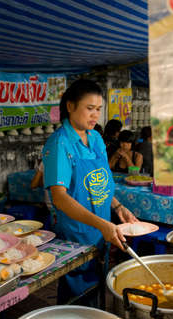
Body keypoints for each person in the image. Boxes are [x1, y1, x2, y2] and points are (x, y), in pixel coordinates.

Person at [42, 79, 137, 302]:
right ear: (70, 106)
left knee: (97, 288)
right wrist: (102, 225)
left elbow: (100, 184)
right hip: (77, 232)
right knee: (77, 296)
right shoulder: (60, 143)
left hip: (102, 228)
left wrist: (118, 207)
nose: (95, 116)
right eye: (89, 108)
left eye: (98, 110)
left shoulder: (95, 138)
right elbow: (60, 198)